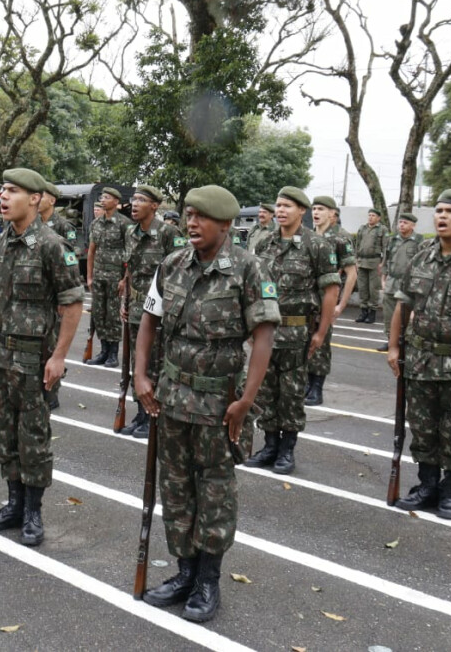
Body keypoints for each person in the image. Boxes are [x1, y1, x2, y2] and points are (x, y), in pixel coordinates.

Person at [135, 185, 279, 623]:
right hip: (173, 398)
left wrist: (246, 400)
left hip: (220, 403)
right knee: (175, 488)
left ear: (226, 224)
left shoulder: (249, 269)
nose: (191, 224)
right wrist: (141, 376)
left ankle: (208, 580)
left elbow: (264, 336)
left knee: (215, 491)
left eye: (201, 217)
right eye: (187, 215)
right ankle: (184, 572)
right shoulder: (172, 264)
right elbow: (149, 321)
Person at [0, 168, 84, 546]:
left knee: (34, 439)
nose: (3, 197)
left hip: (37, 362)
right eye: (2, 190)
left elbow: (72, 304)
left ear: (36, 199)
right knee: (3, 435)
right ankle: (14, 504)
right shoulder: (1, 242)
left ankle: (33, 512)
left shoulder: (53, 245)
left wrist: (59, 357)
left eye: (13, 191)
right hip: (3, 356)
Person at [247, 187, 340, 474]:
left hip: (297, 335)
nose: (281, 210)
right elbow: (255, 287)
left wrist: (321, 333)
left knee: (291, 394)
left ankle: (287, 451)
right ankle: (270, 445)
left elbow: (330, 290)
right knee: (265, 392)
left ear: (302, 210)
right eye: (278, 205)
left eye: (288, 205)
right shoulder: (265, 244)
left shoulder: (317, 245)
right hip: (267, 333)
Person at [387, 190, 451, 520]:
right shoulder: (422, 256)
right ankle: (427, 486)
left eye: (450, 211)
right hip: (420, 361)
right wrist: (393, 346)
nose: (442, 216)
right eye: (438, 211)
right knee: (422, 427)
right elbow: (402, 306)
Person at [121, 185, 183, 439]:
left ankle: (154, 413)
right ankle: (140, 412)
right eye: (134, 200)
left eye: (141, 200)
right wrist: (125, 299)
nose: (134, 204)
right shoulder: (130, 232)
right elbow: (130, 268)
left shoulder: (168, 233)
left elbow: (179, 273)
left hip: (159, 310)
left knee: (156, 362)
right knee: (138, 361)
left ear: (155, 206)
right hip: (136, 306)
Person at [306, 196, 357, 407]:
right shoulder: (308, 236)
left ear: (332, 213)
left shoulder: (340, 239)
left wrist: (341, 305)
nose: (316, 213)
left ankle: (317, 388)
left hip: (327, 298)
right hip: (307, 300)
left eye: (321, 209)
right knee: (306, 342)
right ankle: (307, 385)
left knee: (322, 342)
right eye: (314, 209)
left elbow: (352, 273)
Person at [38, 182, 78, 410]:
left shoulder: (63, 226)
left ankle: (53, 391)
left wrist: (64, 298)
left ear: (52, 200)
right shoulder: (31, 225)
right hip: (37, 294)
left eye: (41, 196)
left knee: (52, 343)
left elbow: (68, 263)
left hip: (56, 295)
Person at [86, 189, 130, 368]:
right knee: (98, 313)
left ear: (116, 201)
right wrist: (89, 276)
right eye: (102, 197)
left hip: (115, 277)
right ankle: (103, 350)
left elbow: (129, 254)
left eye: (107, 197)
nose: (103, 200)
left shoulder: (124, 224)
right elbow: (91, 251)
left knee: (112, 315)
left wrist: (124, 279)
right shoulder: (96, 224)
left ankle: (113, 353)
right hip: (98, 276)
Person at [378, 212, 423, 352]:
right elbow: (386, 260)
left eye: (405, 223)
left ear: (413, 225)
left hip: (408, 283)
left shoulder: (419, 241)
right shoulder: (393, 240)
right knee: (389, 314)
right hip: (391, 281)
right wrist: (383, 278)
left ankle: (405, 341)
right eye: (400, 222)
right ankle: (390, 340)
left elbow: (423, 263)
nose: (401, 225)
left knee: (406, 314)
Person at [354, 208, 389, 323]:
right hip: (362, 261)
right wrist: (356, 260)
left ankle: (372, 313)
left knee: (373, 289)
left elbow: (385, 247)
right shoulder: (362, 228)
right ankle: (363, 311)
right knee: (362, 288)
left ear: (378, 218)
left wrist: (383, 263)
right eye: (369, 215)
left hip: (375, 262)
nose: (370, 217)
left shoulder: (382, 230)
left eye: (373, 215)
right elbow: (357, 245)